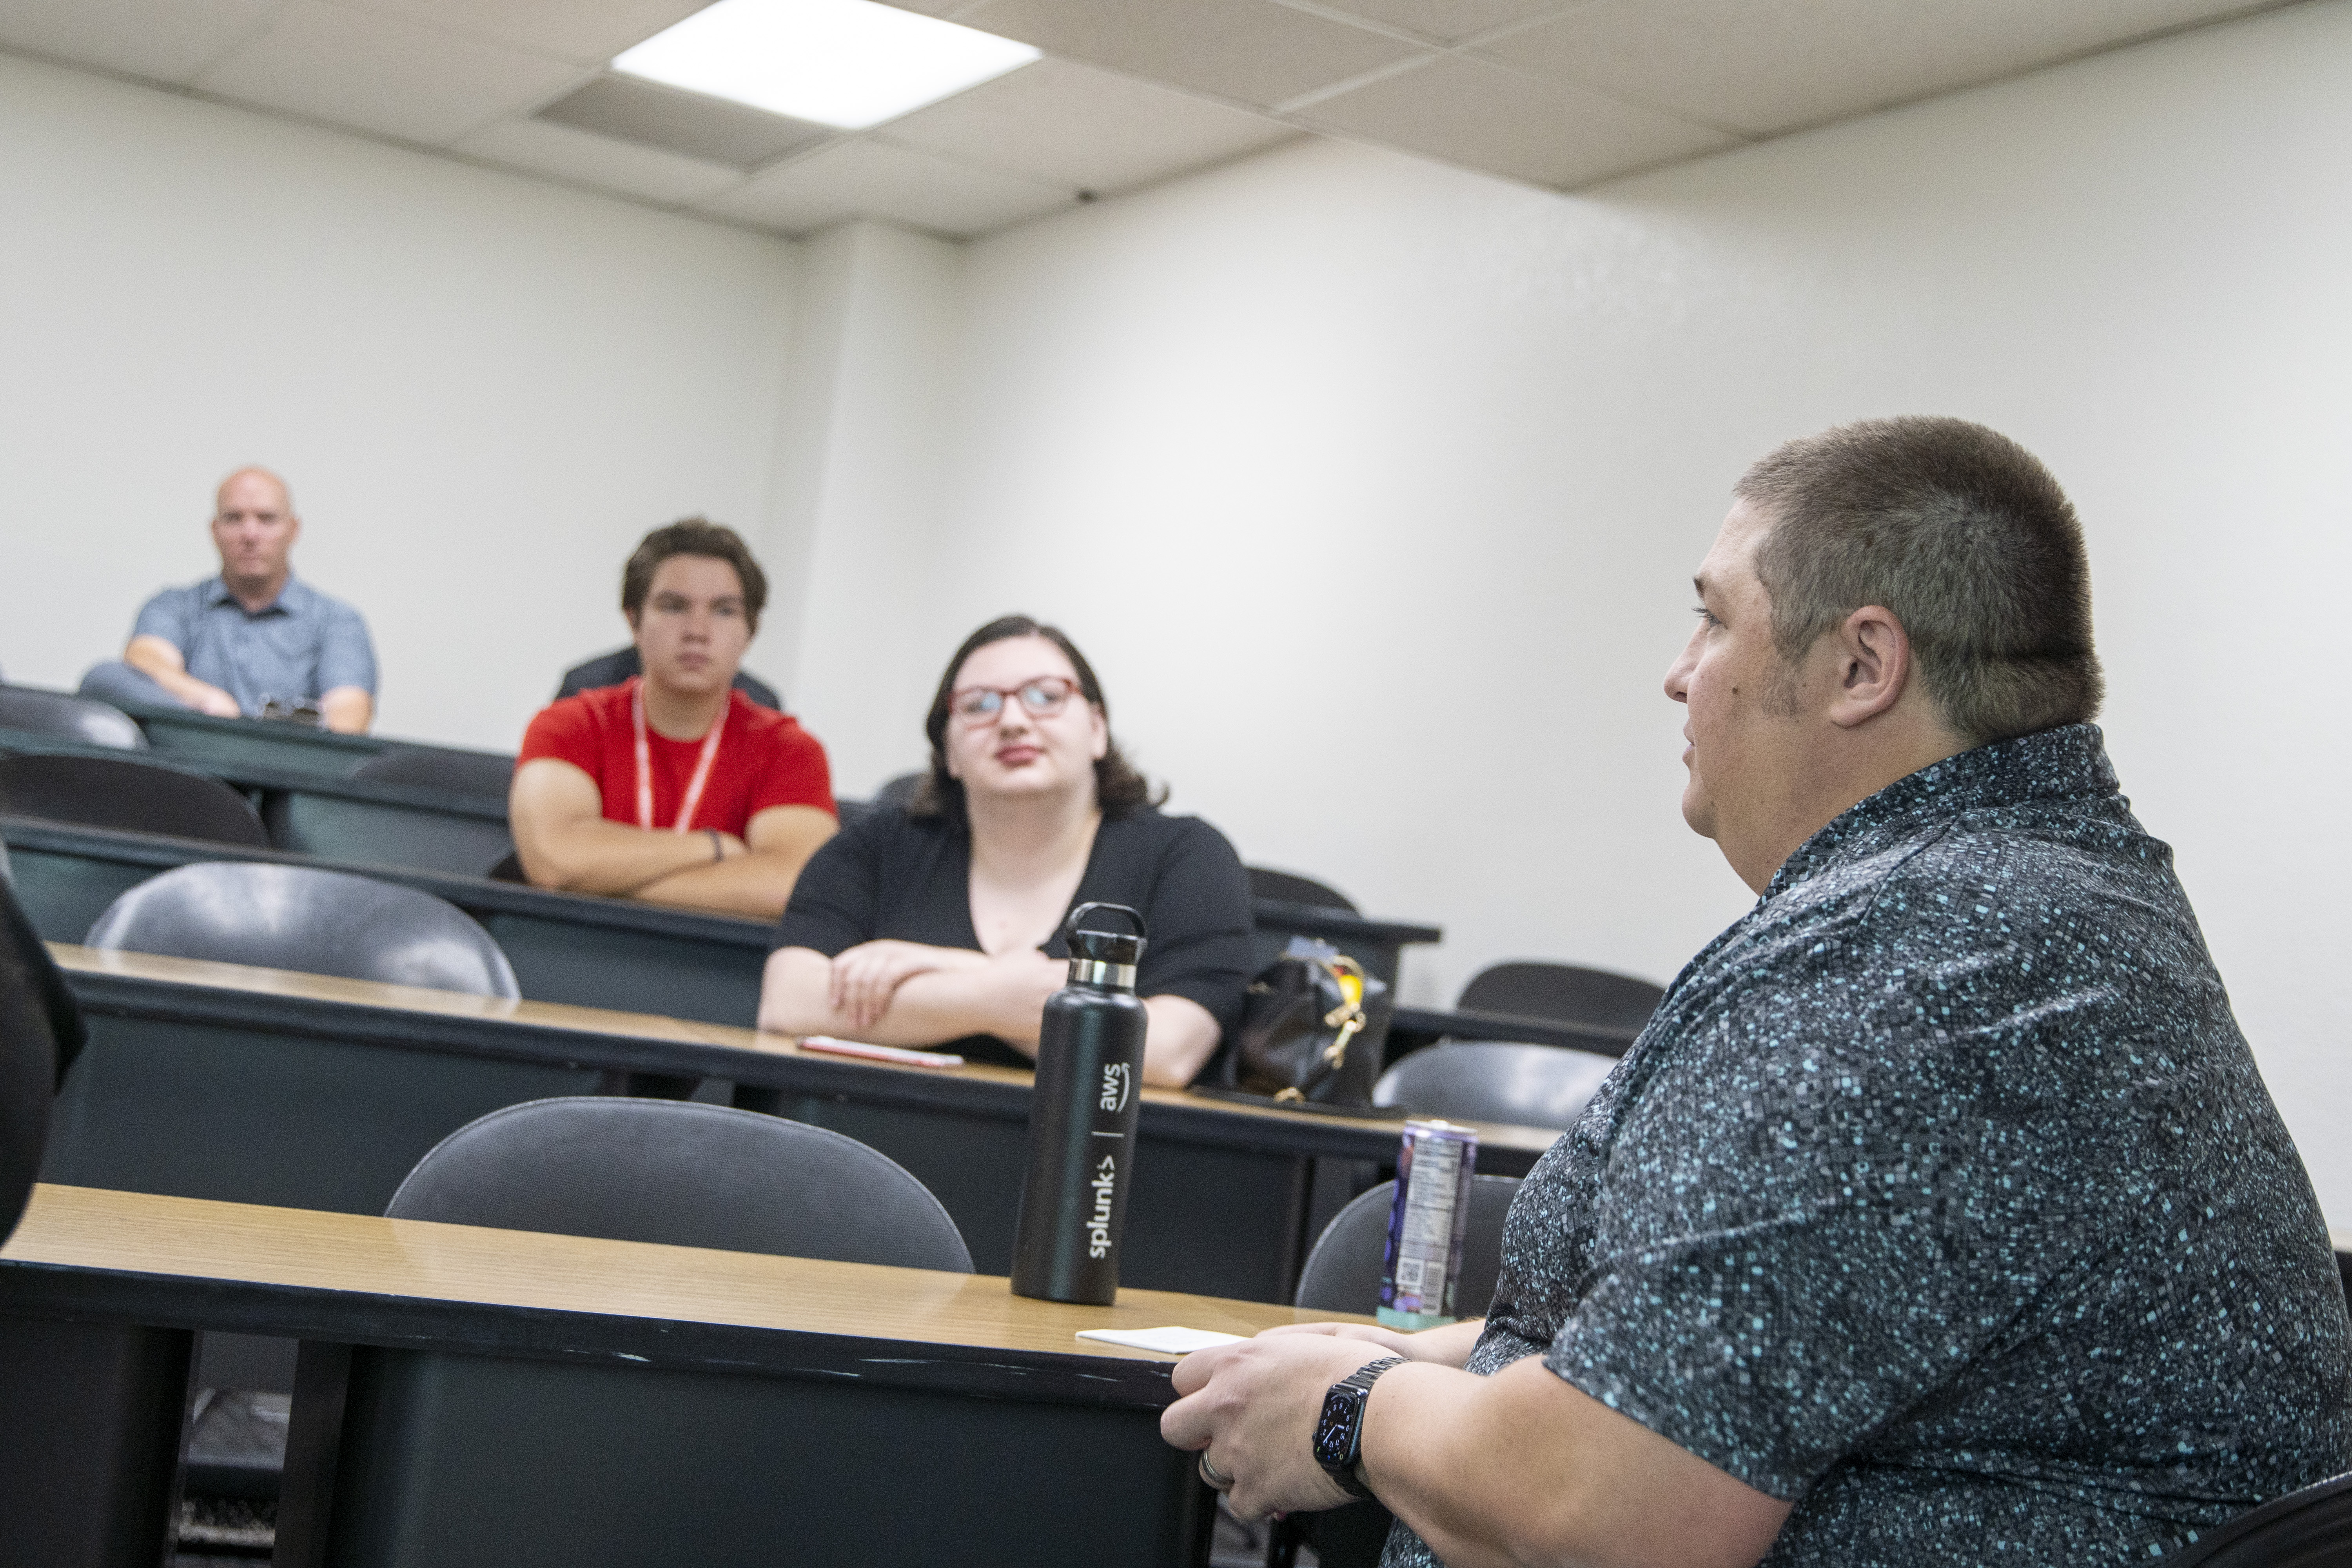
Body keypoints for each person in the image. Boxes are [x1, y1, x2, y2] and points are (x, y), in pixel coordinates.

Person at [1161, 418, 2352, 1566]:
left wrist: (1352, 1410)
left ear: (1857, 666)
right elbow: (1804, 1341)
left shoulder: (1930, 954)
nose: (1676, 675)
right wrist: (1446, 1362)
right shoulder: (2043, 900)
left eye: (1711, 617)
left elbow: (1613, 1514)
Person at [759, 615, 1252, 1087]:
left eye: (1046, 697)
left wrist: (932, 967)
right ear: (949, 751)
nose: (1013, 721)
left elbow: (1167, 1051)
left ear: (1097, 729)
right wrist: (1002, 995)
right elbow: (789, 1002)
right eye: (978, 705)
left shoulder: (1187, 856)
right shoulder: (880, 844)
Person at [510, 520, 836, 920]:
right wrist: (715, 847)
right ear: (634, 620)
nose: (697, 631)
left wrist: (606, 881)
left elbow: (792, 888)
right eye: (673, 606)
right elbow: (555, 861)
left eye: (724, 611)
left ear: (750, 630)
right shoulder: (567, 725)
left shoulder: (791, 750)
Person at [80, 468, 377, 732]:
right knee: (104, 677)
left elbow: (349, 716)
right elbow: (146, 658)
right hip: (189, 769)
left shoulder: (338, 621)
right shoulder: (175, 606)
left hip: (284, 775)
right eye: (234, 519)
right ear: (215, 530)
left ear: (293, 530)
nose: (250, 535)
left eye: (267, 519)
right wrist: (209, 703)